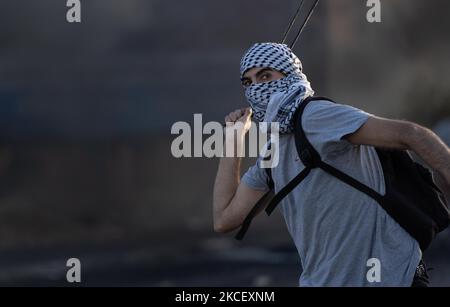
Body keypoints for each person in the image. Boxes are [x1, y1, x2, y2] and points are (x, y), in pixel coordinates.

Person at [212, 42, 450, 287]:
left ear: (289, 74)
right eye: (248, 83)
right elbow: (224, 219)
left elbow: (411, 134)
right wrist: (234, 138)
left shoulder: (317, 115)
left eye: (265, 75)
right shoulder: (273, 150)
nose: (257, 89)